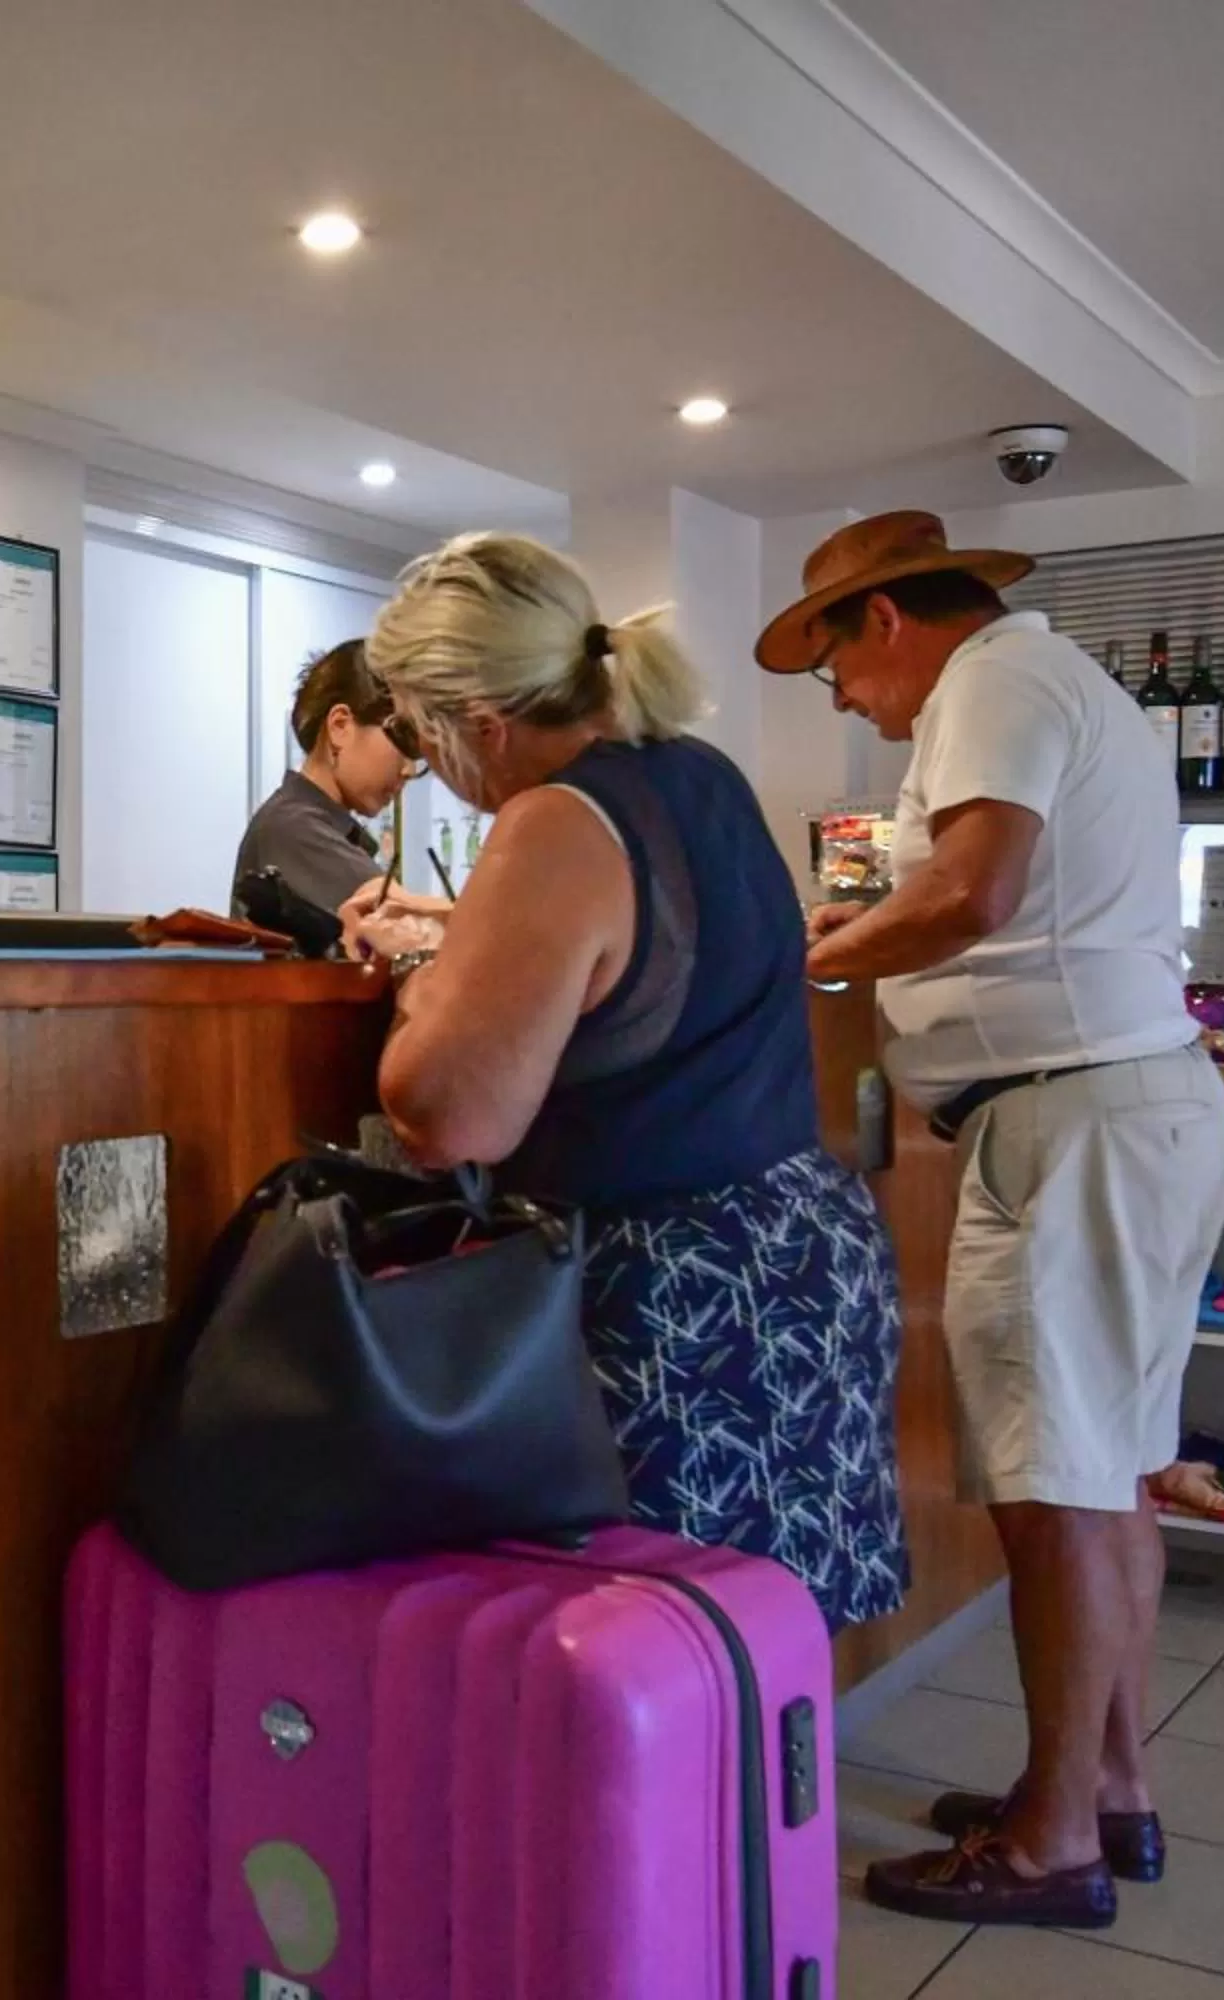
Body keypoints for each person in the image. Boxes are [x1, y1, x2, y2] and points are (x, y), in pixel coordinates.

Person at [765, 511, 1224, 1930]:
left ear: (888, 622)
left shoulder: (992, 686)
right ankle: (1109, 1789)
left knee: (1059, 1494)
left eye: (834, 664)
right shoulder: (1063, 682)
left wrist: (811, 962)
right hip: (1123, 1106)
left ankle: (1048, 1844)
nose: (841, 696)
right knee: (1114, 1474)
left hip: (1071, 1119)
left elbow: (974, 891)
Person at [348, 531, 906, 1635]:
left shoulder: (551, 817)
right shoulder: (696, 773)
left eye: (419, 729)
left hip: (681, 1295)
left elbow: (447, 1113)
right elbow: (641, 951)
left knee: (660, 1656)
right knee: (761, 1660)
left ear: (481, 720)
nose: (424, 759)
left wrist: (421, 980)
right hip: (799, 1250)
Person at [228, 639, 422, 918]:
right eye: (404, 739)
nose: (409, 770)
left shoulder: (305, 824)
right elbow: (408, 922)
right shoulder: (293, 827)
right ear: (340, 726)